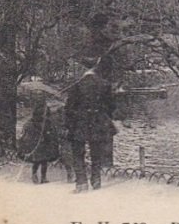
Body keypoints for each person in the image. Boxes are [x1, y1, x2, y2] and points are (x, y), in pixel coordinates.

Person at [64, 50, 117, 192]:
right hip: (98, 122)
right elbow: (111, 107)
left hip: (79, 123)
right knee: (96, 152)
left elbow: (69, 108)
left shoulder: (77, 85)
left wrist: (69, 124)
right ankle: (96, 180)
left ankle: (81, 182)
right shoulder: (105, 85)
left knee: (78, 153)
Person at [17, 96, 61, 184]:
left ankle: (42, 177)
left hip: (44, 133)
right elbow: (36, 116)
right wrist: (43, 115)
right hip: (39, 131)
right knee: (39, 160)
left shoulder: (45, 108)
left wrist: (47, 113)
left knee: (43, 160)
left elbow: (47, 115)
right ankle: (36, 175)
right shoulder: (38, 109)